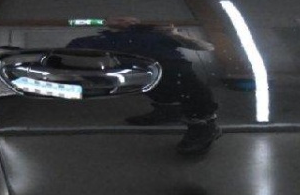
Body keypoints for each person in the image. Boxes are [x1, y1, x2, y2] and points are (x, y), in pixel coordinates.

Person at [66, 17, 221, 155]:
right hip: (136, 74)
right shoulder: (96, 40)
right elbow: (71, 55)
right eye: (118, 17)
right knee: (142, 77)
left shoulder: (155, 34)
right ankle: (168, 110)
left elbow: (206, 47)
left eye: (130, 18)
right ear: (107, 21)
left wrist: (175, 35)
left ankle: (203, 124)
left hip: (172, 67)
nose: (125, 20)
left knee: (180, 75)